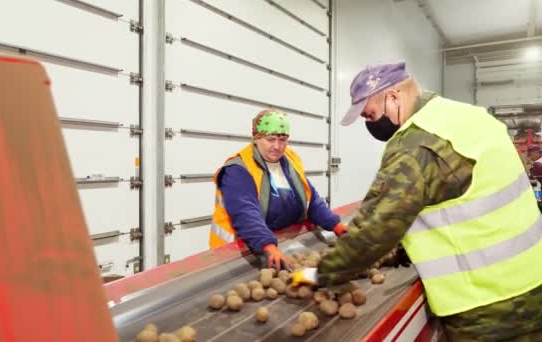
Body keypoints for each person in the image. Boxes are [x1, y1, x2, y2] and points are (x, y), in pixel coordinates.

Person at [295, 62, 542, 341]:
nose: (370, 124)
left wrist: (322, 274)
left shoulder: (416, 143)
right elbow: (460, 202)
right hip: (531, 282)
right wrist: (394, 255)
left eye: (370, 114)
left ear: (393, 97)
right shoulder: (472, 117)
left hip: (487, 306)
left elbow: (376, 227)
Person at [210, 109, 347, 270]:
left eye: (282, 139)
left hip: (275, 243)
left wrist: (335, 224)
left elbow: (310, 198)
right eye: (270, 139)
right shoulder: (238, 170)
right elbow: (246, 213)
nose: (277, 146)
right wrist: (268, 245)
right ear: (256, 138)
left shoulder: (289, 159)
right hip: (236, 254)